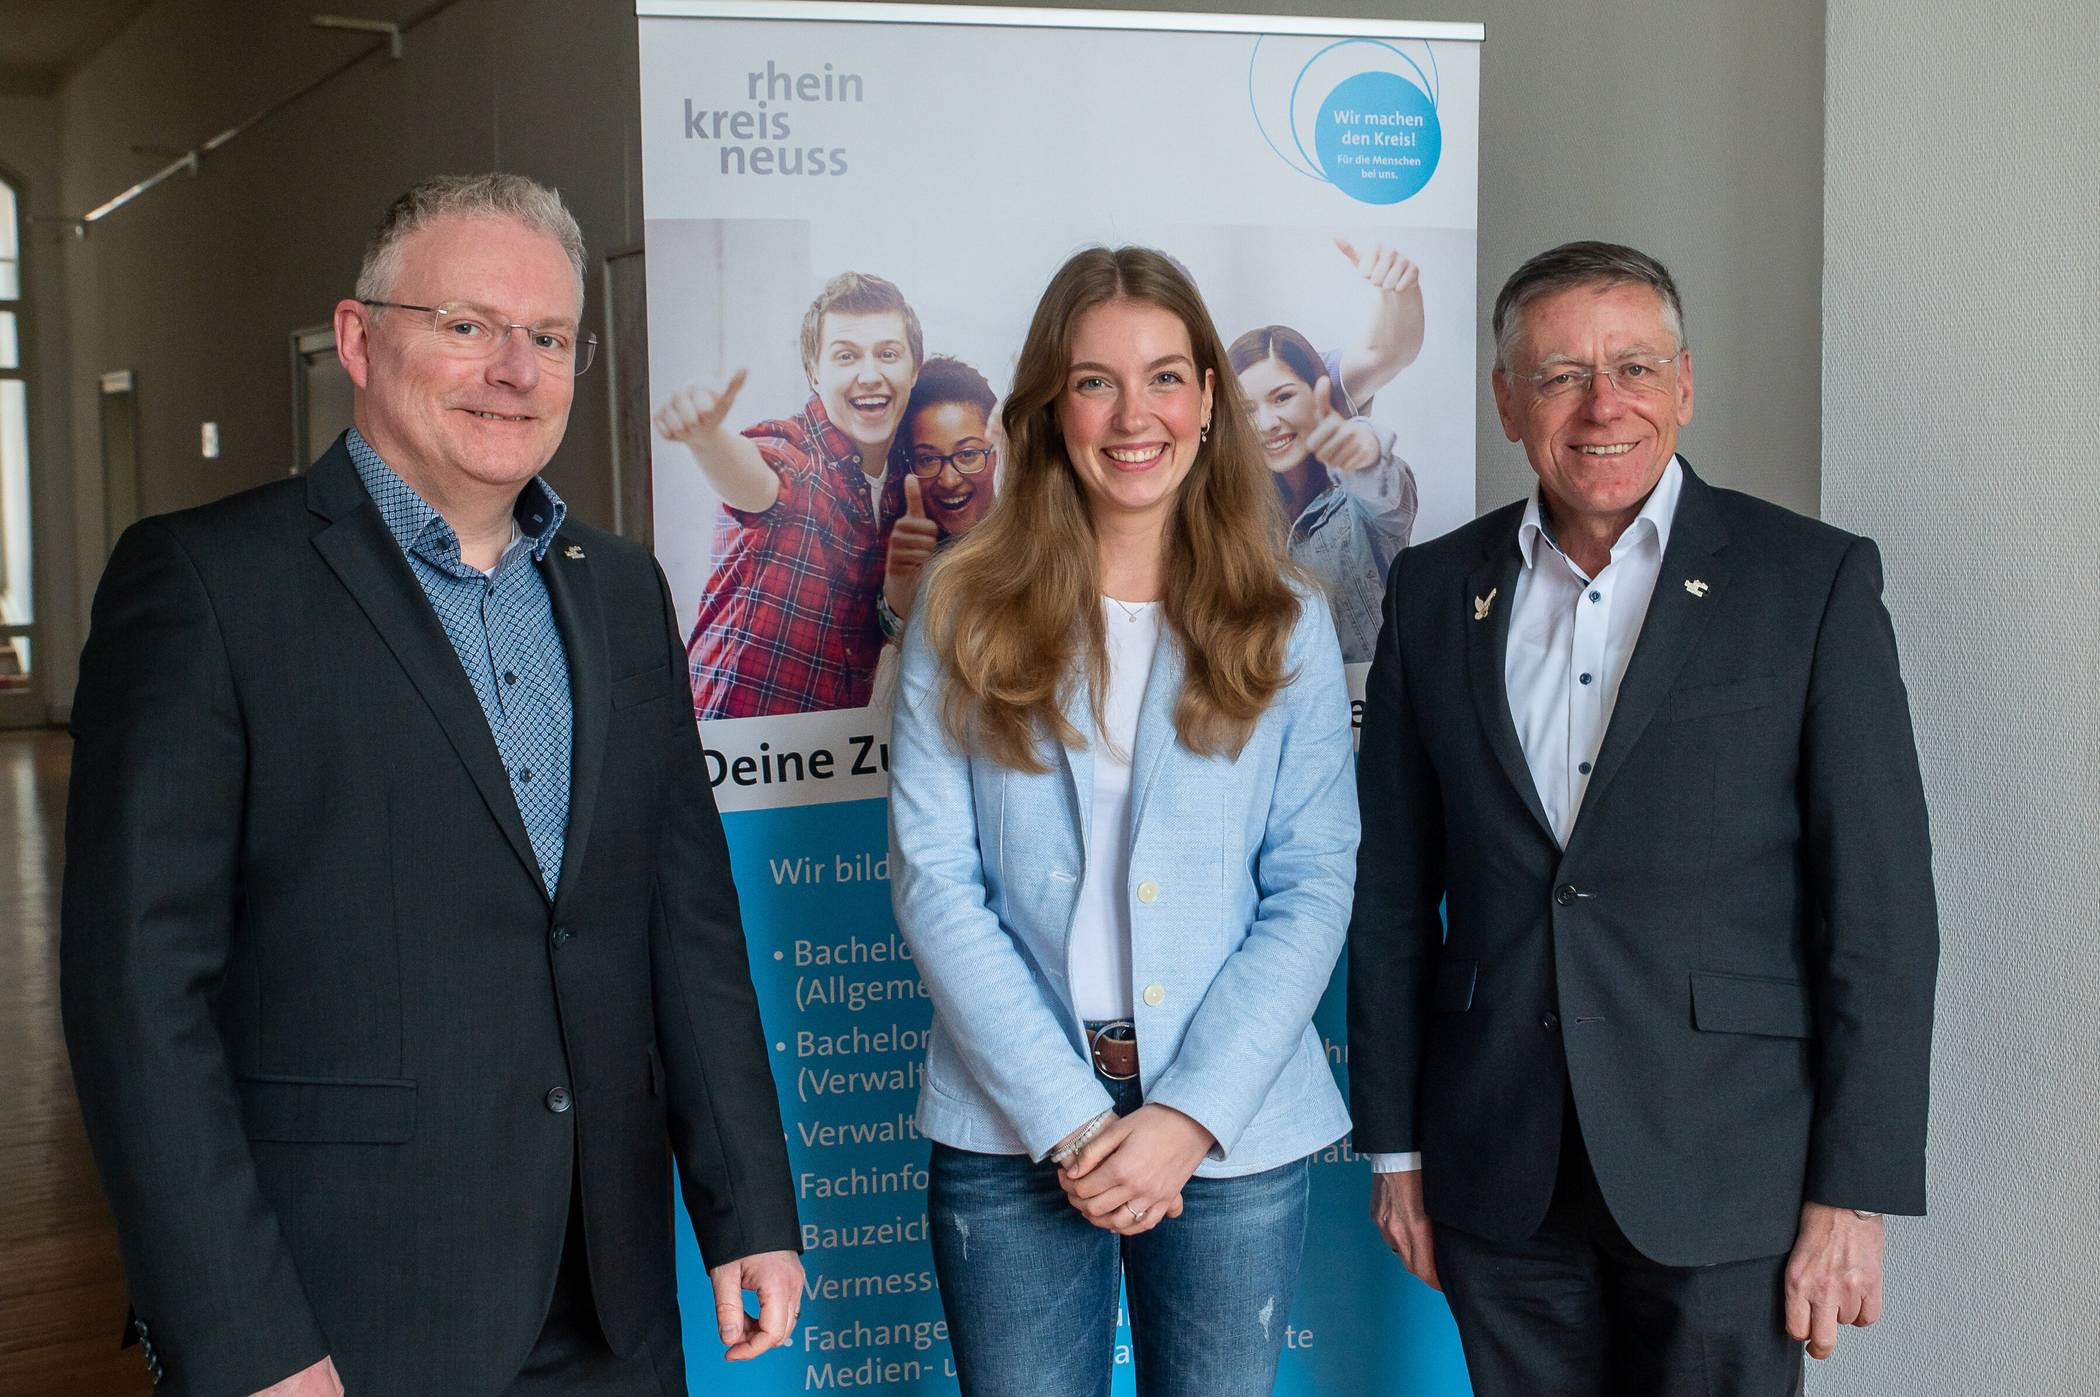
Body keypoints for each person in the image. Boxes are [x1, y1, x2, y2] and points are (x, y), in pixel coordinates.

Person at [61, 173, 803, 1397]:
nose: (515, 369)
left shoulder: (622, 590)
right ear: (358, 340)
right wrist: (241, 1336)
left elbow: (687, 925)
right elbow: (137, 996)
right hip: (342, 1313)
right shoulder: (207, 585)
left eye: (549, 338)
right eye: (467, 324)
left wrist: (750, 1206)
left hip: (609, 1304)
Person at [1347, 241, 1939, 1395]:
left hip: (1728, 1170)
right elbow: (1393, 896)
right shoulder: (1433, 590)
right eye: (1561, 374)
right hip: (1497, 1165)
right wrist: (1396, 1146)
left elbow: (1879, 911)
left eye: (1633, 367)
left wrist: (1853, 1191)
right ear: (1508, 400)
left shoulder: (1808, 582)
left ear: (1684, 383)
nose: (1602, 404)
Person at [887, 246, 1359, 1397]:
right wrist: (1066, 1117)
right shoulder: (961, 602)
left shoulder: (1285, 616)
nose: (1133, 414)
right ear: (1052, 407)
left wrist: (1188, 1115)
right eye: (1095, 381)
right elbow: (934, 877)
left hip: (1229, 1121)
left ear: (1207, 398)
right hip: (1012, 1118)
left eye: (1164, 377)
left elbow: (1312, 882)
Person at [657, 272, 921, 719]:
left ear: (914, 370)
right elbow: (758, 478)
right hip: (730, 745)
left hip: (826, 753)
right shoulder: (796, 452)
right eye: (846, 356)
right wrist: (707, 440)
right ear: (814, 373)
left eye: (888, 354)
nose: (870, 375)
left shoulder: (905, 485)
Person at [1230, 323, 1418, 661]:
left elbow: (1391, 496)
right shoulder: (1242, 520)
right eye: (1247, 411)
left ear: (1319, 393)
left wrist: (1363, 451)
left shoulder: (1357, 500)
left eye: (1282, 397)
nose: (1266, 423)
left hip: (1366, 694)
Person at [877, 353, 1001, 640]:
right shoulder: (901, 549)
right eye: (928, 459)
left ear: (999, 451)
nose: (949, 480)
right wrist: (898, 588)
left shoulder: (1039, 537)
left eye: (968, 454)